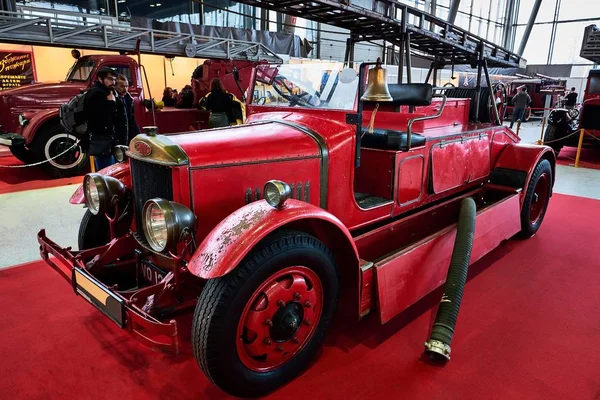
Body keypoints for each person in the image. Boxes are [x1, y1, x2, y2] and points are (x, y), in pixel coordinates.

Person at [84, 66, 118, 170]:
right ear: (100, 79)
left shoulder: (102, 92)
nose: (113, 82)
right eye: (110, 79)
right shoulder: (97, 93)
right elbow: (100, 117)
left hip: (104, 139)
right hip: (101, 139)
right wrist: (111, 103)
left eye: (114, 79)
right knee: (106, 171)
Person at [115, 74, 140, 145]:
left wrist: (137, 135)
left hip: (128, 136)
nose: (125, 89)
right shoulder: (113, 100)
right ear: (115, 86)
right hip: (117, 138)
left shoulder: (129, 99)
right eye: (122, 86)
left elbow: (132, 119)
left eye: (126, 86)